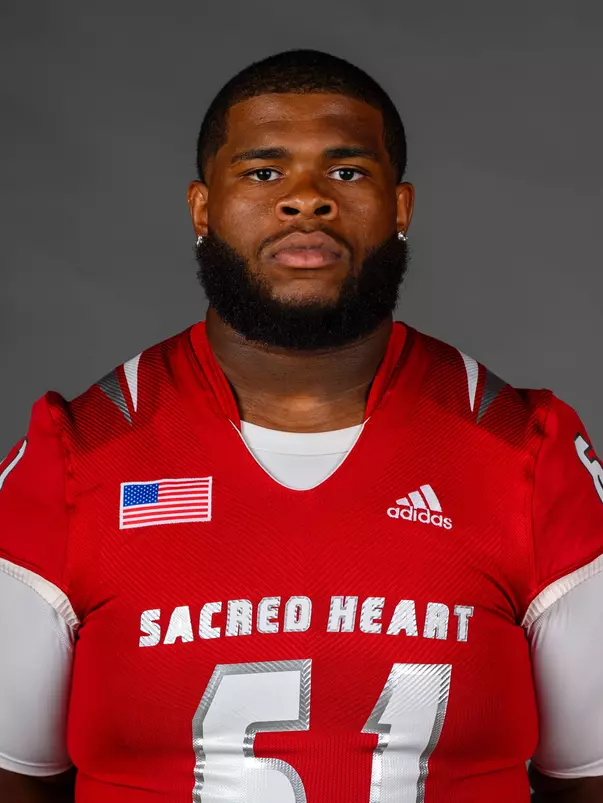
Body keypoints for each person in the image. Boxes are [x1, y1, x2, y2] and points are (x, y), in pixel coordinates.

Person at [0, 48, 601, 803]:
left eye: (346, 172)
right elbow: (13, 776)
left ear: (400, 208)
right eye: (263, 172)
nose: (306, 199)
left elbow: (590, 776)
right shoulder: (75, 454)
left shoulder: (526, 451)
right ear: (202, 208)